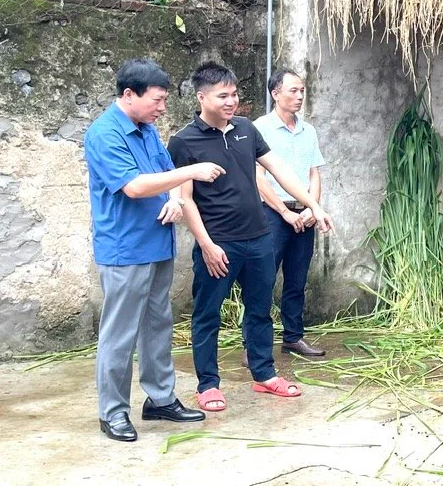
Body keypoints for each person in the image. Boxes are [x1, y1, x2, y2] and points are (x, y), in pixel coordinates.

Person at [167, 62, 334, 413]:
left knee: (260, 310)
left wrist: (312, 205)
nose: (231, 102)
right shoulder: (184, 141)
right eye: (222, 96)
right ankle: (208, 384)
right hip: (219, 244)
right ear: (202, 97)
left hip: (259, 237)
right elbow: (186, 198)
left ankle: (264, 374)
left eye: (234, 94)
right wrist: (206, 244)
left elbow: (280, 171)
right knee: (207, 314)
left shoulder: (245, 129)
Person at [83, 58, 223, 442]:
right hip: (125, 248)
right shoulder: (105, 134)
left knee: (157, 326)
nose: (163, 108)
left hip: (157, 243)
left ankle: (160, 399)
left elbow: (167, 175)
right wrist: (191, 174)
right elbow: (134, 186)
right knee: (120, 333)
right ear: (129, 95)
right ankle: (112, 412)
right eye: (157, 100)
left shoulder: (147, 131)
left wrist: (178, 200)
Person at [253, 68, 327, 358]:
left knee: (297, 279)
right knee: (262, 280)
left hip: (305, 215)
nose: (299, 96)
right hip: (272, 214)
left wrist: (312, 207)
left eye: (302, 91)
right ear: (275, 94)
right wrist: (284, 212)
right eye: (292, 91)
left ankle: (293, 337)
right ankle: (254, 345)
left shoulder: (309, 131)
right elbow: (257, 178)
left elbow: (314, 173)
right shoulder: (260, 128)